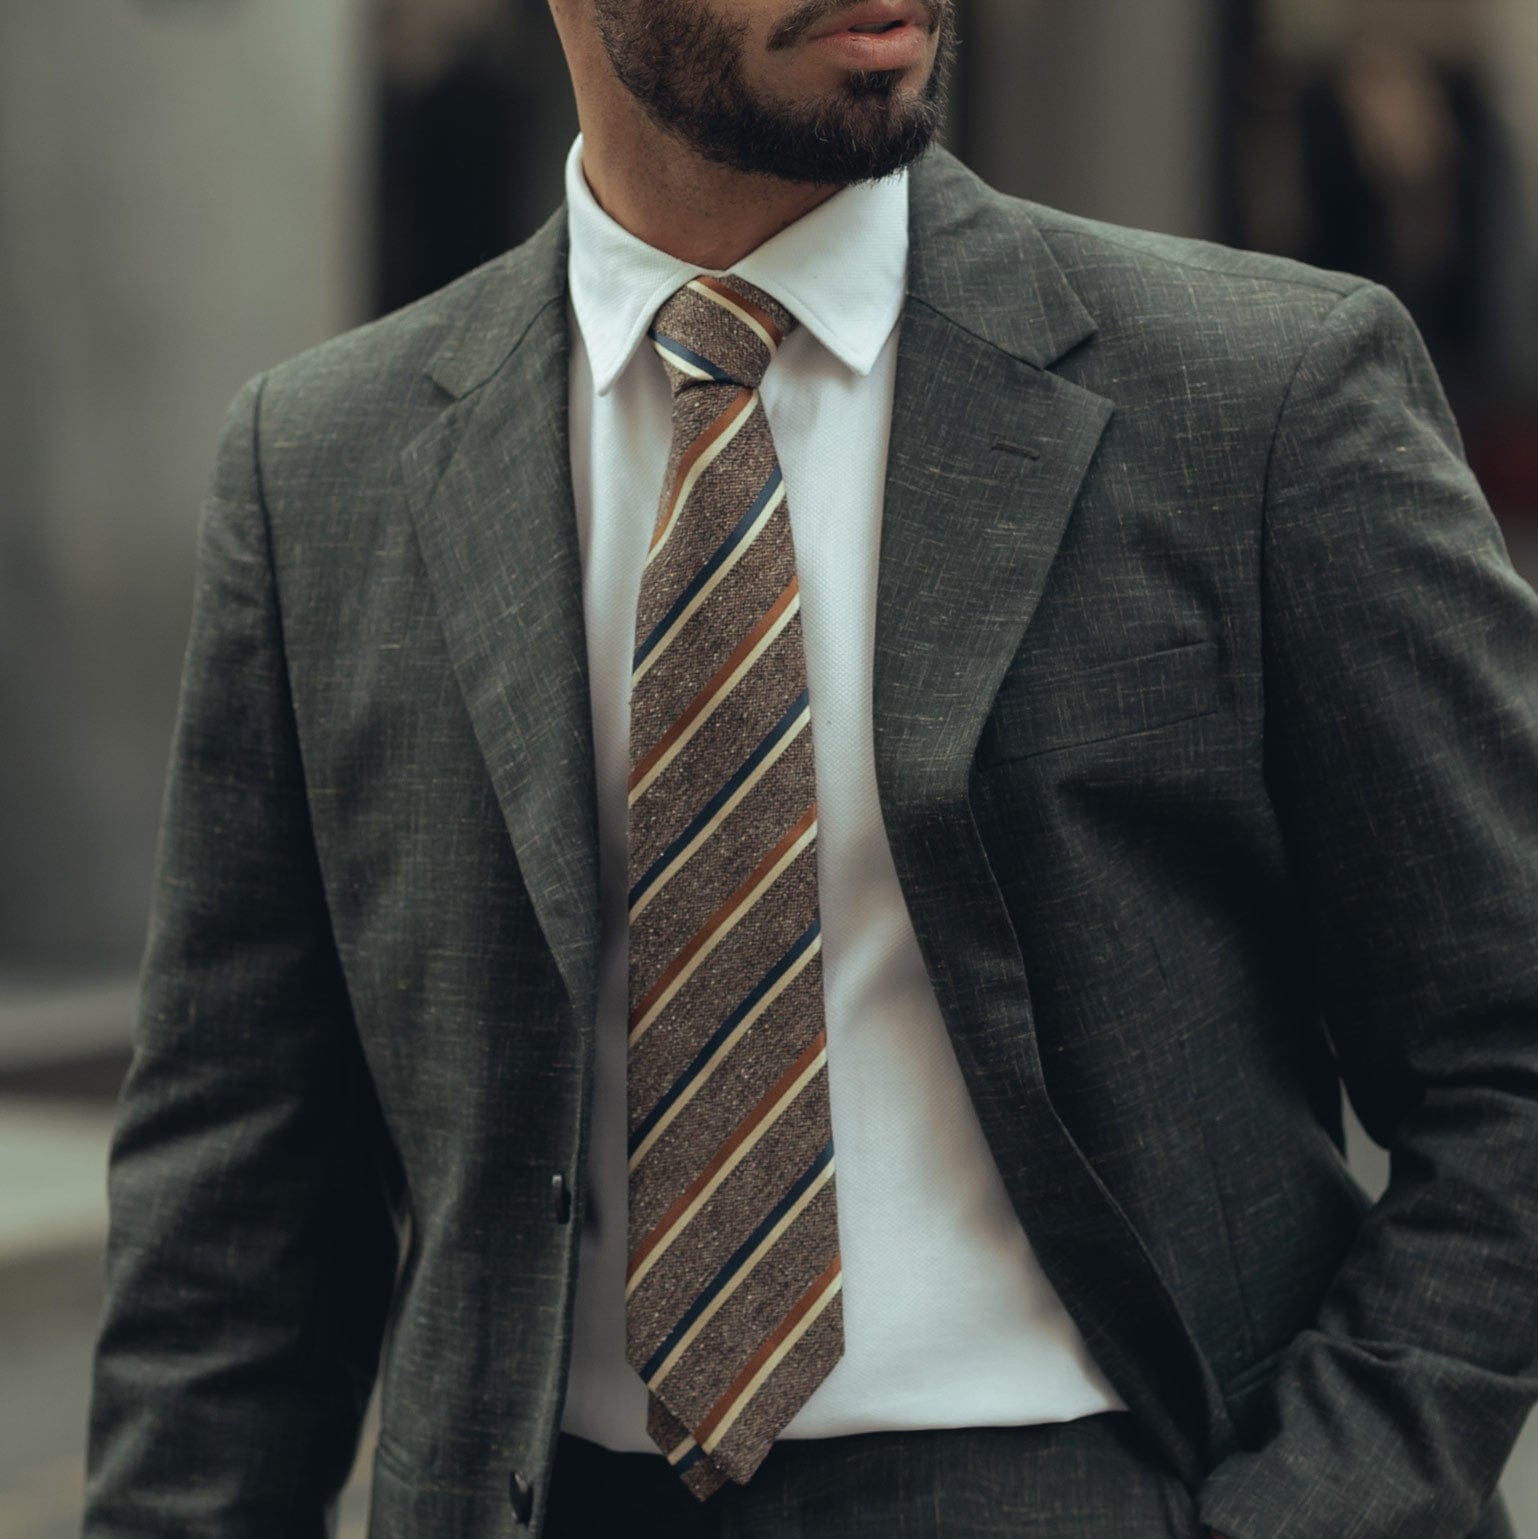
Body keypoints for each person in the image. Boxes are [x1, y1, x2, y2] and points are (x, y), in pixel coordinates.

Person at [81, 1, 1538, 1536]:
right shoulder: (321, 467)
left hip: (1092, 1478)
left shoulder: (1262, 396)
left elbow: (1508, 1050)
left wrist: (1328, 1502)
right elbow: (234, 1207)